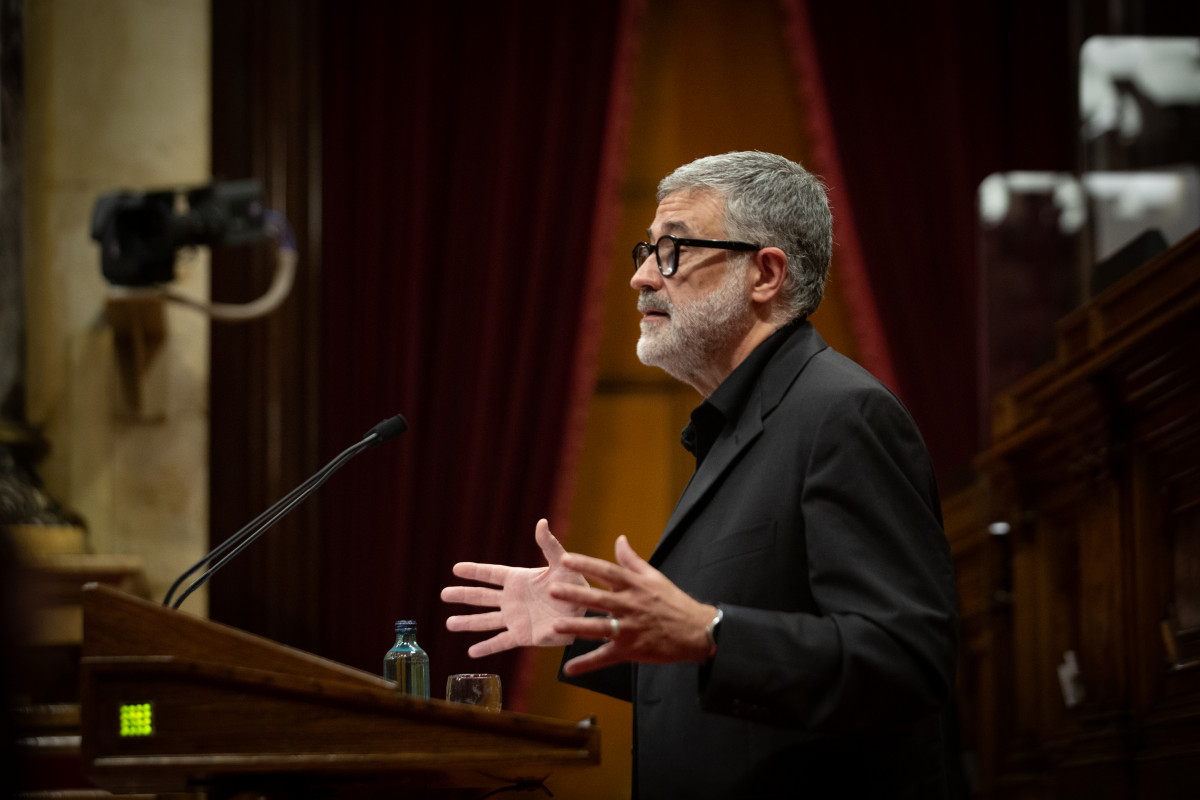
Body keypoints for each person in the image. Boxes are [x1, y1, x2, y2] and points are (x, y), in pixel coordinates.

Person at [441, 151, 961, 799]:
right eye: (645, 251)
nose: (640, 278)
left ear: (765, 274)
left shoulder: (840, 415)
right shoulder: (739, 428)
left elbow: (906, 663)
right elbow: (720, 664)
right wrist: (598, 619)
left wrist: (711, 633)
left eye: (673, 251)